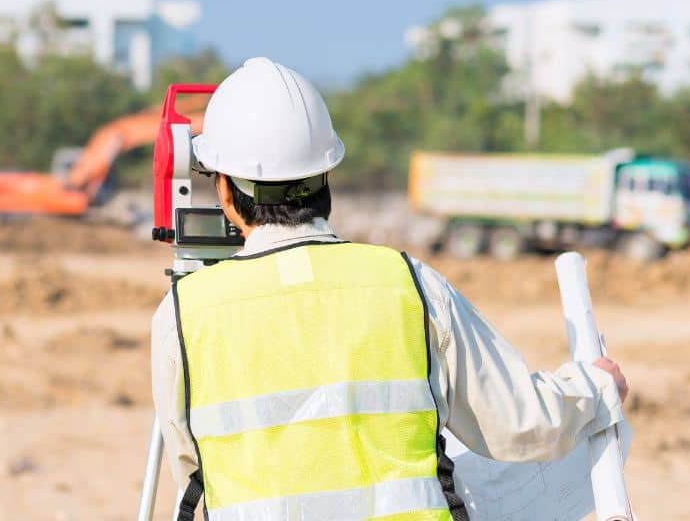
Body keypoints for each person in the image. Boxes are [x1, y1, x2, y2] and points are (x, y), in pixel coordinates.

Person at [151, 57, 628, 521]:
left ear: (225, 191)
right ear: (327, 175)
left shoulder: (183, 314)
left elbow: (194, 478)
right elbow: (522, 422)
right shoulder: (409, 283)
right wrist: (598, 384)